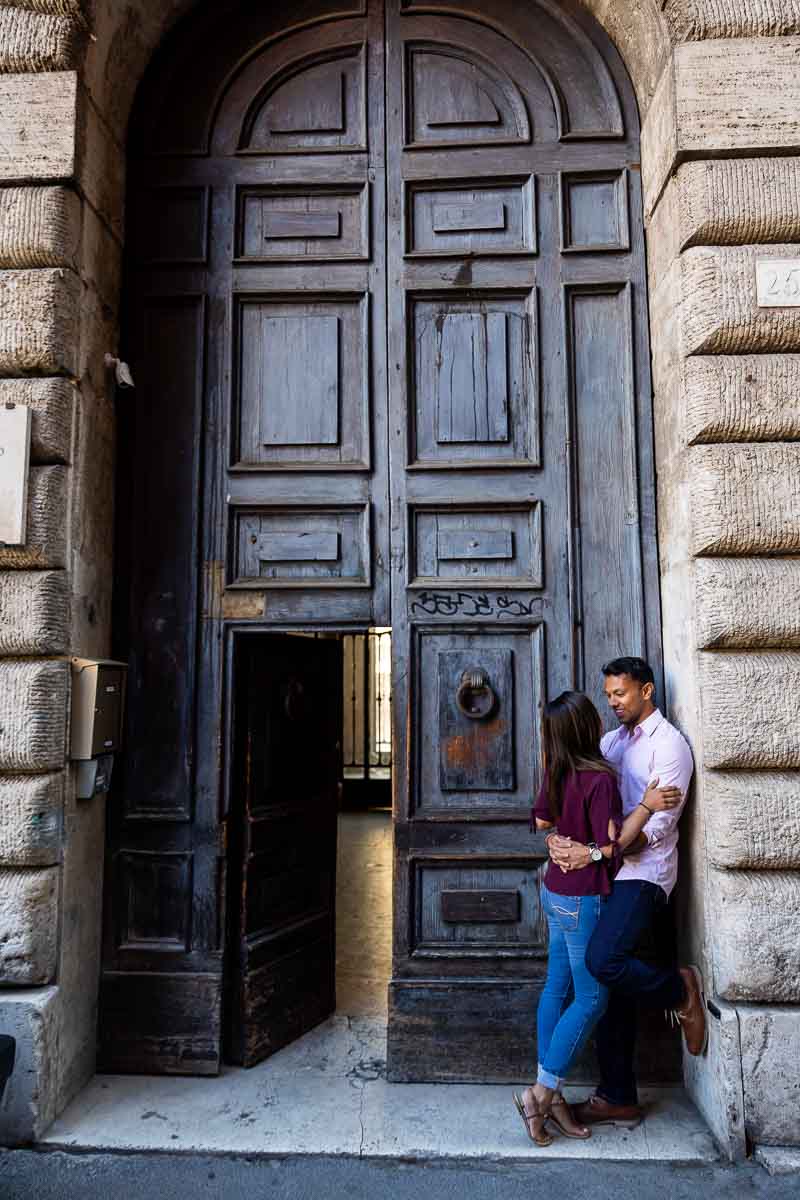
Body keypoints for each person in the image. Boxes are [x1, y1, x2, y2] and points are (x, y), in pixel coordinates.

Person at [513, 690, 680, 1146]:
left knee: (555, 986)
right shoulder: (599, 778)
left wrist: (559, 845)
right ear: (589, 727)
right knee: (592, 998)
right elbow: (613, 846)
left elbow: (544, 822)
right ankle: (541, 1093)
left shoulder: (557, 770)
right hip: (585, 898)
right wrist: (646, 806)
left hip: (553, 891)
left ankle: (554, 1100)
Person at [547, 657, 704, 1129]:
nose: (613, 702)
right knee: (605, 987)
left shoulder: (671, 747)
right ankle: (618, 1096)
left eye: (621, 693)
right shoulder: (610, 743)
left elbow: (651, 831)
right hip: (604, 876)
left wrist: (596, 851)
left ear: (647, 691)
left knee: (602, 961)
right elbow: (580, 798)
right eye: (610, 694)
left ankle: (679, 990)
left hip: (644, 876)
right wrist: (558, 835)